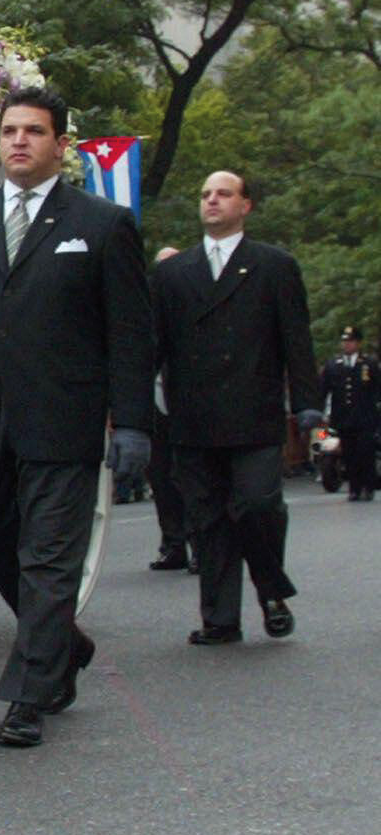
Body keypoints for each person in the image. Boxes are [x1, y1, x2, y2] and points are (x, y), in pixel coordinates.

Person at [0, 87, 151, 749]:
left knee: (47, 560)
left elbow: (130, 333)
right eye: (11, 129)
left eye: (35, 131)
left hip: (64, 422)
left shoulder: (103, 225)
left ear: (60, 144)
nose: (20, 141)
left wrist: (132, 423)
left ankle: (28, 695)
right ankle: (62, 645)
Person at [154, 171, 321, 645]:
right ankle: (220, 619)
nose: (212, 201)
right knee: (206, 519)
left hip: (254, 412)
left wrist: (307, 404)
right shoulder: (172, 273)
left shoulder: (273, 265)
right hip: (193, 417)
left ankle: (270, 588)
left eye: (224, 194)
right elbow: (153, 344)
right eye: (205, 194)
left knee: (255, 504)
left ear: (245, 205)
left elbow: (296, 339)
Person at [145, 249, 194, 571]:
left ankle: (202, 545)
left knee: (191, 480)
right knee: (161, 479)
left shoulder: (195, 305)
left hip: (189, 407)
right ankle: (173, 544)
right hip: (155, 406)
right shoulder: (147, 309)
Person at [322, 324, 378, 502]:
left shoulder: (369, 363)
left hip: (365, 418)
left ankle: (368, 487)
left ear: (358, 343)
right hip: (343, 419)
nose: (346, 345)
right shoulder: (333, 365)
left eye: (351, 341)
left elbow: (377, 388)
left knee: (365, 453)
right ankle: (354, 489)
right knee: (349, 454)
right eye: (344, 341)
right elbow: (323, 390)